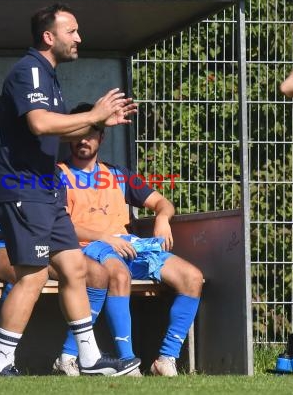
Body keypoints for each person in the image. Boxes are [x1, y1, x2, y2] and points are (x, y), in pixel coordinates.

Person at [0, 4, 140, 377]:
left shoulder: (48, 76)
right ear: (48, 37)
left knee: (73, 267)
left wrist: (102, 121)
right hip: (23, 190)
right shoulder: (29, 71)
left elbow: (60, 127)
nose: (79, 39)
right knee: (34, 275)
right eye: (72, 31)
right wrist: (92, 116)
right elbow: (39, 124)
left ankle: (88, 358)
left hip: (46, 189)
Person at [0, 95, 111, 375]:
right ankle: (4, 360)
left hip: (35, 242)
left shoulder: (32, 167)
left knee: (92, 272)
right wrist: (20, 228)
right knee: (28, 271)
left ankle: (74, 356)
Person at [53, 102, 204, 377]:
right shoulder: (57, 174)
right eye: (78, 132)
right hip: (88, 249)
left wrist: (161, 217)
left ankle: (165, 360)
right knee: (119, 274)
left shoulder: (118, 174)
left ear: (102, 136)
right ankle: (128, 361)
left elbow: (162, 202)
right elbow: (59, 227)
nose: (83, 139)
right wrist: (105, 238)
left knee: (192, 277)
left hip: (128, 247)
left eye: (91, 132)